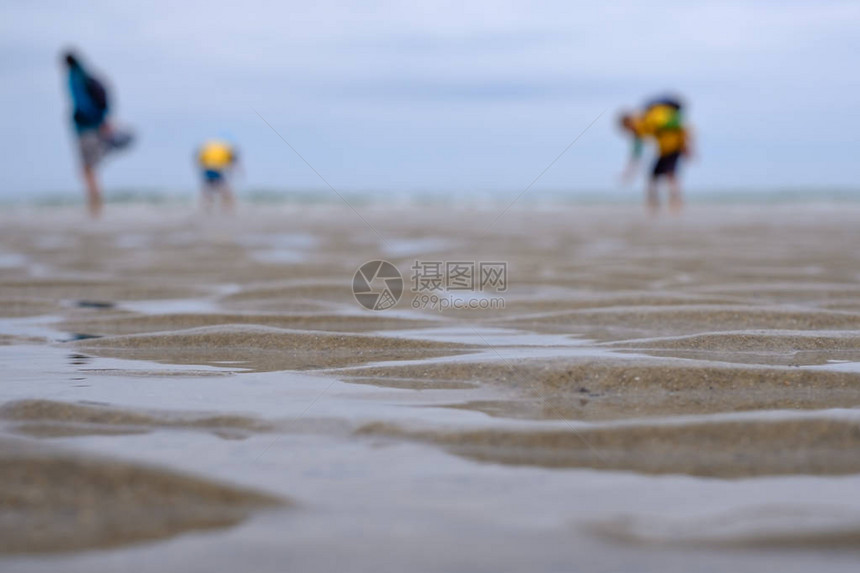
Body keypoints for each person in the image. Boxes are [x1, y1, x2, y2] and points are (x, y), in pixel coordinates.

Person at [62, 50, 133, 218]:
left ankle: (95, 205)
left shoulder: (75, 78)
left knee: (87, 168)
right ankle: (96, 204)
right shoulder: (87, 75)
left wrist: (85, 119)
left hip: (86, 128)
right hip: (95, 127)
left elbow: (82, 103)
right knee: (90, 168)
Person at [619, 96, 693, 215]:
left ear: (630, 122)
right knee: (654, 176)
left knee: (670, 175)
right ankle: (654, 205)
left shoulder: (652, 118)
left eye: (628, 129)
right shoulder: (641, 127)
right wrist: (628, 172)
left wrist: (687, 146)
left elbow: (680, 126)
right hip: (664, 149)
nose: (630, 132)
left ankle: (675, 203)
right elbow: (636, 151)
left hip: (673, 145)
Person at [195, 139, 239, 213]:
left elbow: (200, 160)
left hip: (209, 171)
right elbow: (232, 162)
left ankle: (207, 206)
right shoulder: (225, 151)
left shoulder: (210, 150)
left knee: (209, 190)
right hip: (215, 171)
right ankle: (226, 207)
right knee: (223, 190)